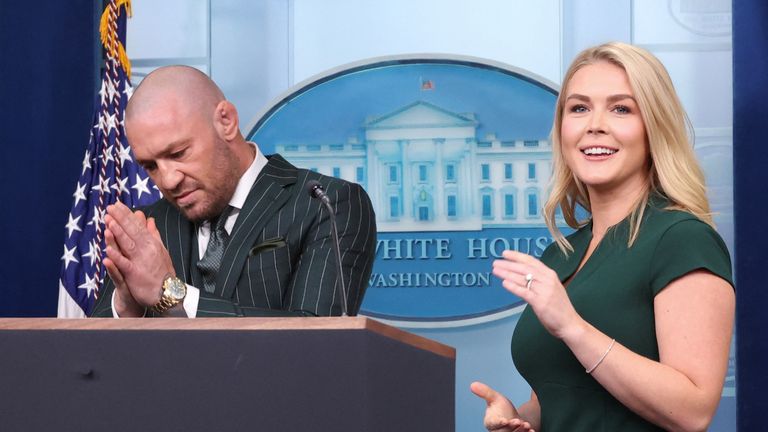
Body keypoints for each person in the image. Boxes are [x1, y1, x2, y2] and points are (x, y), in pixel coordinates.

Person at [471, 42, 734, 431]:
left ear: (654, 128)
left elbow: (692, 412)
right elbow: (572, 400)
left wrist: (572, 327)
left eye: (621, 108)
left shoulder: (681, 239)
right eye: (579, 108)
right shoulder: (560, 255)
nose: (595, 124)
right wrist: (519, 418)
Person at [90, 65, 377, 318]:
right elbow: (87, 362)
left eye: (178, 153)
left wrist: (169, 294)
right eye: (150, 166)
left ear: (226, 121)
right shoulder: (147, 228)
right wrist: (128, 306)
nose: (168, 180)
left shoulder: (326, 203)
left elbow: (315, 339)